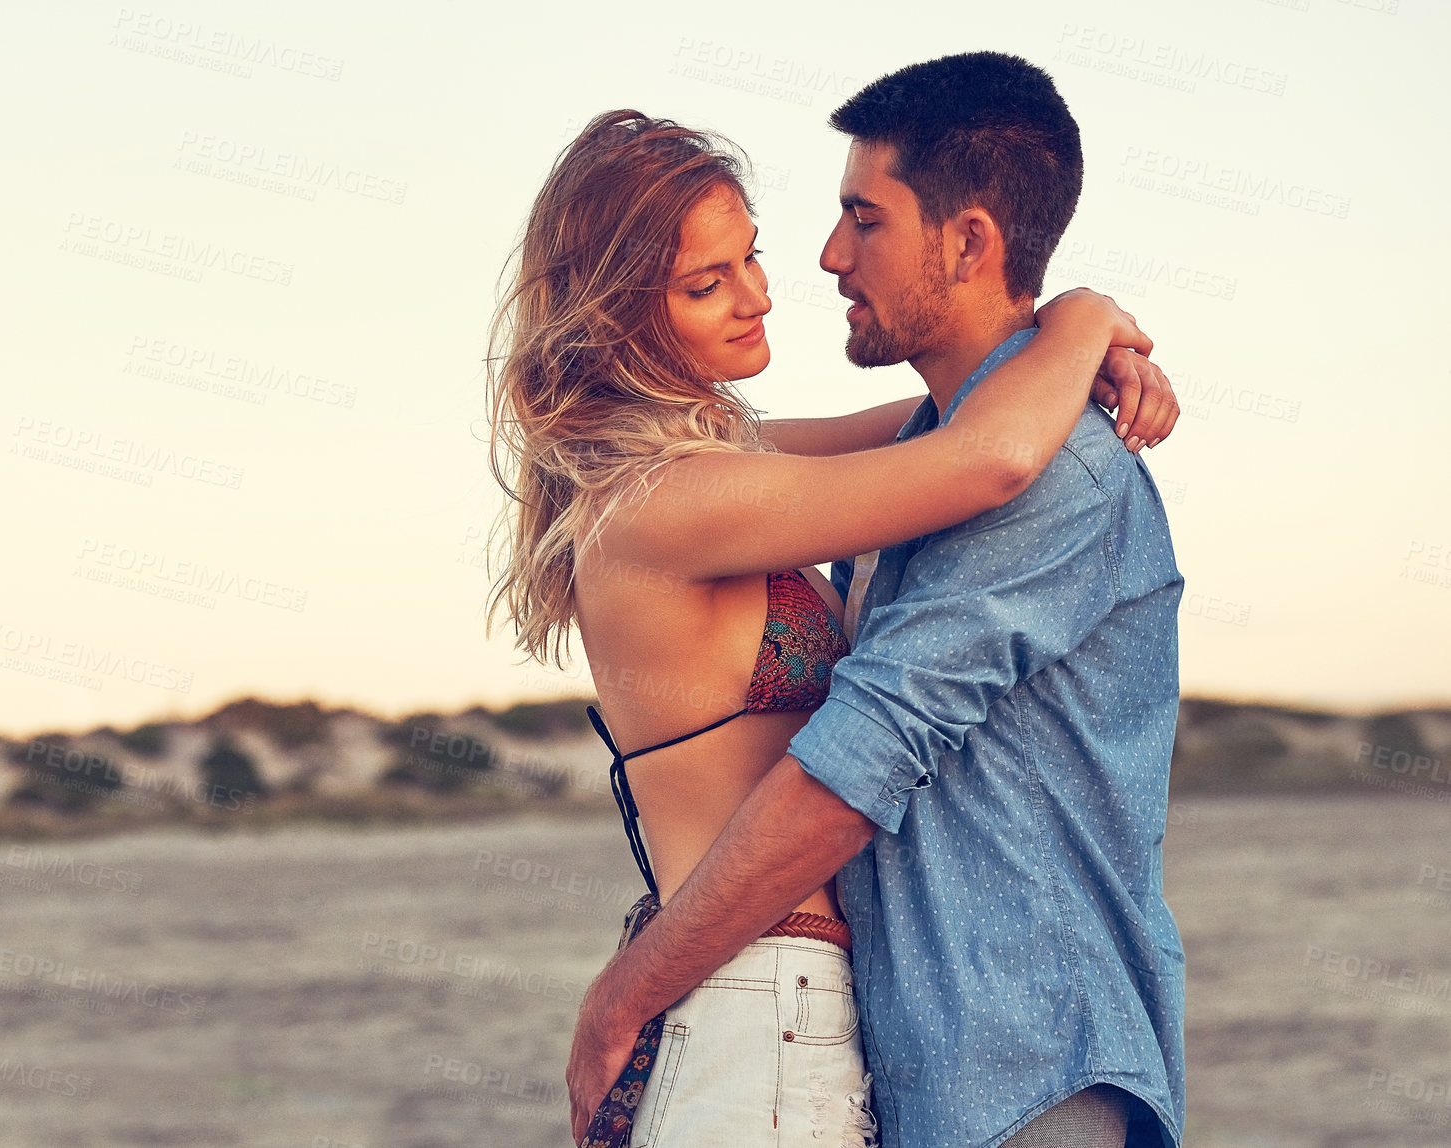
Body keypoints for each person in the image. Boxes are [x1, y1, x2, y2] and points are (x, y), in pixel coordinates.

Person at [488, 102, 1176, 1145]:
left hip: (792, 1009)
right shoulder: (665, 499)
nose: (761, 295)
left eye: (747, 258)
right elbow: (980, 457)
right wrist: (1083, 321)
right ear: (617, 315)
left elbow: (952, 421)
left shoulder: (726, 460)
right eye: (702, 284)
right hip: (754, 1006)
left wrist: (1069, 349)